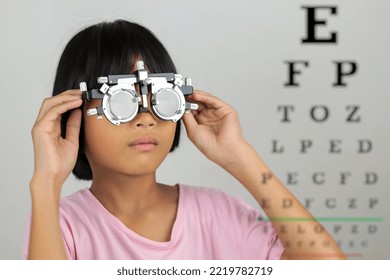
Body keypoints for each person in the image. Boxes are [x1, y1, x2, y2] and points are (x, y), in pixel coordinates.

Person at [24, 20, 346, 260]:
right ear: (73, 113)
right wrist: (46, 183)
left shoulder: (217, 213)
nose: (146, 117)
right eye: (121, 102)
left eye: (161, 99)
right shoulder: (60, 224)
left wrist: (240, 156)